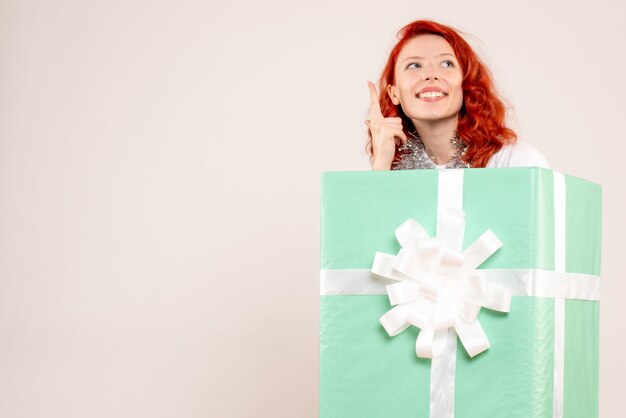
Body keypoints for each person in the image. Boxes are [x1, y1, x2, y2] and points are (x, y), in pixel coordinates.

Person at [366, 20, 548, 170]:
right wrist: (381, 166)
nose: (430, 74)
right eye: (414, 65)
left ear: (466, 83)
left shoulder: (516, 163)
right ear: (394, 93)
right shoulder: (393, 171)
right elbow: (377, 214)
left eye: (446, 63)